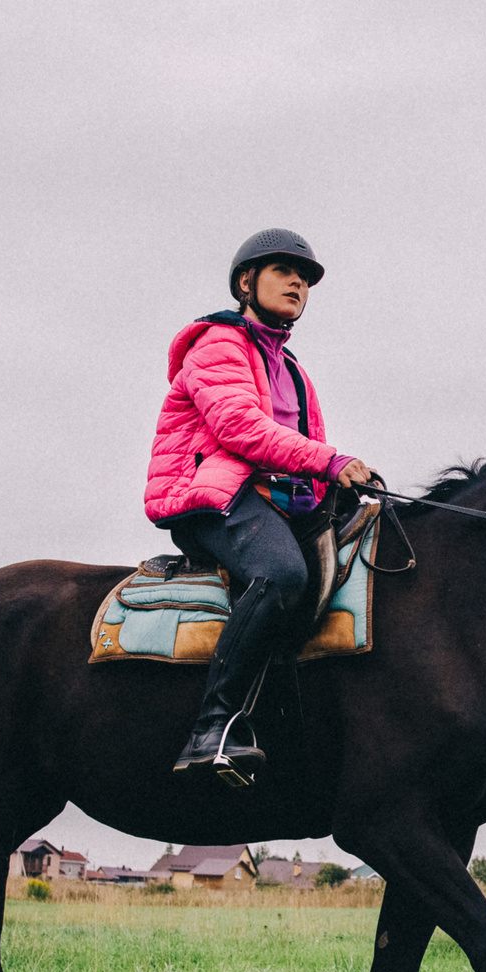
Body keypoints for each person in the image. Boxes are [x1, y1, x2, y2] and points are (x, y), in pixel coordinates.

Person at [144, 229, 380, 784]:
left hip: (277, 503)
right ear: (246, 282)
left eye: (306, 277)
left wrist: (337, 485)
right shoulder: (219, 344)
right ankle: (211, 729)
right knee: (279, 574)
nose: (299, 282)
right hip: (213, 496)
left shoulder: (293, 367)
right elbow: (240, 428)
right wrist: (330, 460)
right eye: (284, 271)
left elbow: (301, 452)